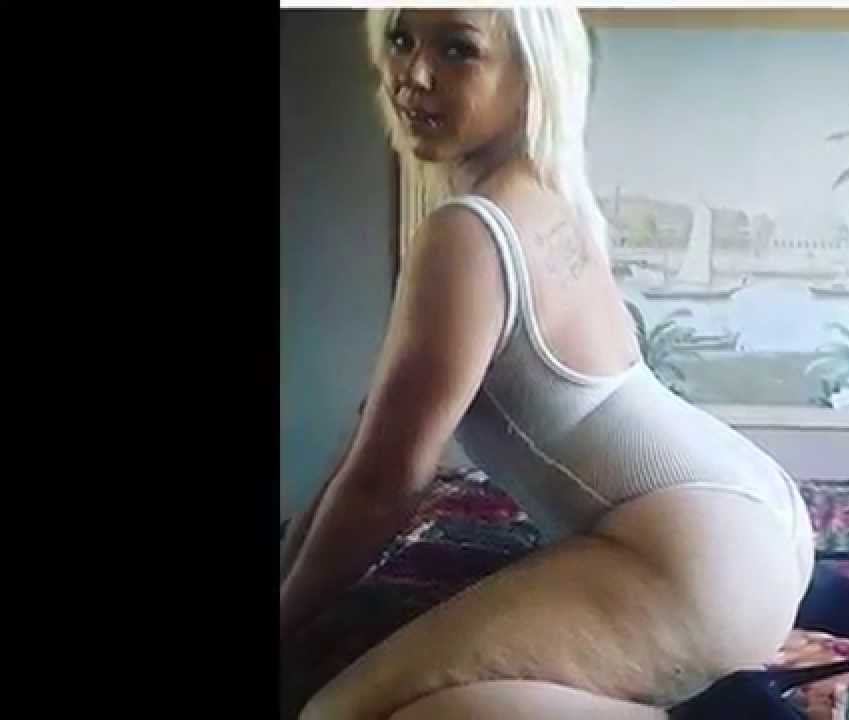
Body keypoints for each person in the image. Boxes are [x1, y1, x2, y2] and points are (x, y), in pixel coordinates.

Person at [281, 7, 814, 719]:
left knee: (335, 714)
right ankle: (736, 690)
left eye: (458, 50)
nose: (413, 74)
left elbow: (386, 484)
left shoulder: (468, 232)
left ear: (532, 73)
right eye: (401, 40)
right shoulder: (554, 200)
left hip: (702, 560)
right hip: (751, 518)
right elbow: (370, 441)